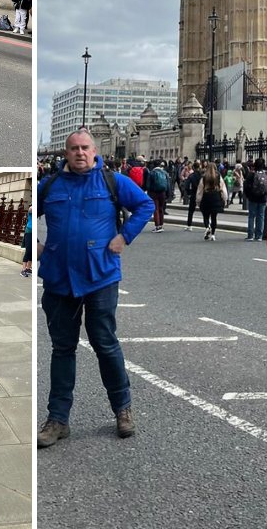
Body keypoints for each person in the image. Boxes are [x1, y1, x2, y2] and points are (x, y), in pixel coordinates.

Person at [37, 128, 155, 448]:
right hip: (59, 279)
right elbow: (27, 213)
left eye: (85, 147)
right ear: (66, 152)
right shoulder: (49, 185)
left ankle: (122, 409)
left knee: (105, 343)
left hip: (100, 275)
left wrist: (124, 236)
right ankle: (58, 419)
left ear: (94, 150)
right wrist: (32, 243)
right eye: (74, 148)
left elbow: (145, 205)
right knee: (63, 349)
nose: (79, 153)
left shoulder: (111, 181)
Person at [196, 161, 228, 240]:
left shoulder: (203, 177)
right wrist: (225, 199)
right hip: (215, 197)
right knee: (214, 217)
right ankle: (213, 235)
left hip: (206, 197)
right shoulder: (218, 177)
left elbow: (200, 191)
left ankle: (207, 226)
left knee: (205, 215)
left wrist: (198, 201)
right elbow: (223, 189)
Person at [243, 157, 267, 240]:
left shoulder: (252, 174)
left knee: (251, 216)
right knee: (261, 216)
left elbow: (246, 186)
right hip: (263, 198)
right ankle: (259, 236)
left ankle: (250, 235)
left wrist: (248, 196)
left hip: (253, 198)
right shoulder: (266, 174)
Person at [146, 159, 169, 232]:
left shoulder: (152, 173)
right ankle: (161, 224)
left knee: (155, 209)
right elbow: (168, 184)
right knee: (161, 208)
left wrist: (149, 192)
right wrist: (168, 194)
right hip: (163, 192)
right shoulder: (165, 173)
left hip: (154, 192)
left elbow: (148, 185)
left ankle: (157, 226)